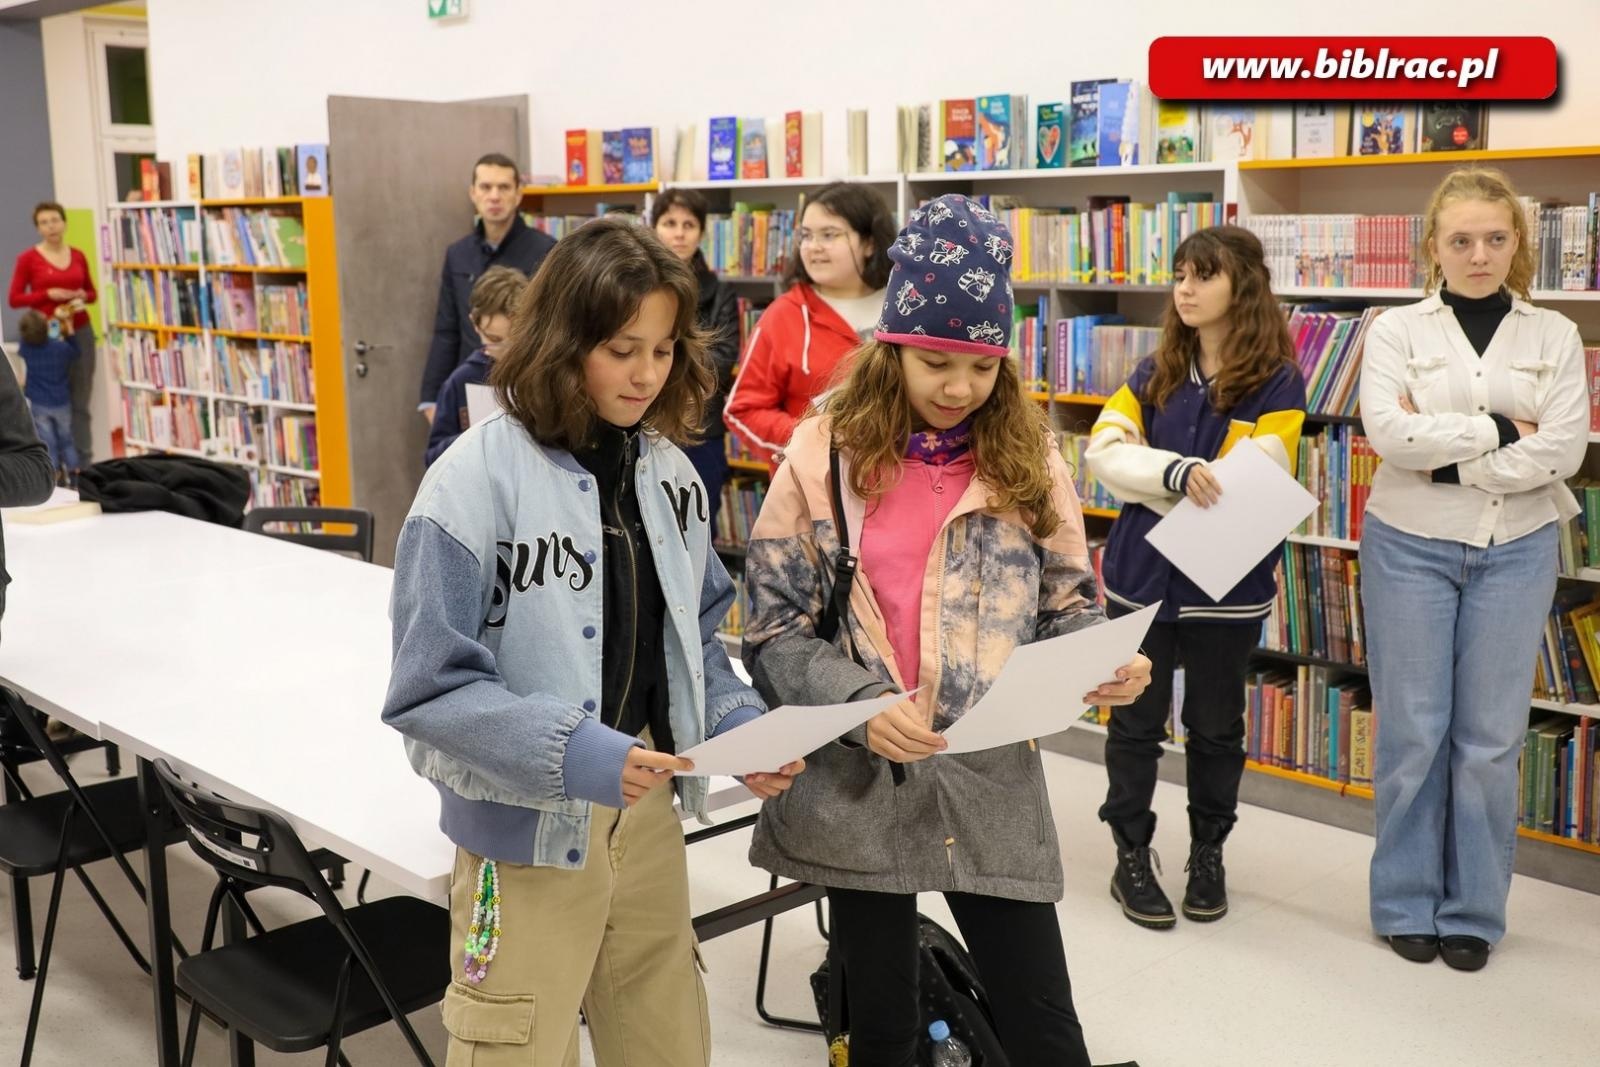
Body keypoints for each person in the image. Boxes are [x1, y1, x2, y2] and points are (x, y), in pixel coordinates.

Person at [741, 194, 1152, 1067]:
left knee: (1045, 1022)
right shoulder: (822, 454)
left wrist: (1104, 658)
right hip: (862, 780)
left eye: (981, 366)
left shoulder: (1030, 458)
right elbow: (771, 629)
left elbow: (1070, 600)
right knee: (884, 1030)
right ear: (891, 347)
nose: (959, 388)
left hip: (990, 775)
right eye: (935, 361)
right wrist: (858, 701)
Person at [382, 217, 802, 1066]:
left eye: (663, 348)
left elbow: (695, 646)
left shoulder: (672, 477)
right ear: (563, 340)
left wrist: (739, 727)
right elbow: (427, 687)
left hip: (646, 815)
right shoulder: (469, 481)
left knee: (666, 1039)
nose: (647, 374)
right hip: (520, 831)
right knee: (517, 1047)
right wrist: (574, 750)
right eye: (621, 348)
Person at [1358, 166, 1587, 972]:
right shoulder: (1394, 330)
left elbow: (1564, 447)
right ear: (1435, 246)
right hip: (1408, 544)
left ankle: (1474, 911)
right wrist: (1499, 428)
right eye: (1461, 239)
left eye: (1495, 237)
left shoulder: (1552, 335)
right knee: (1415, 734)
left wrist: (1450, 458)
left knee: (1489, 740)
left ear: (1517, 243)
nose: (1479, 254)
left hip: (1517, 548)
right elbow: (1388, 435)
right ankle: (1404, 901)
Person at [1085, 225, 1307, 930]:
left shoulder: (1278, 379)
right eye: (1180, 273)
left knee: (1216, 728)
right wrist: (1177, 473)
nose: (1185, 287)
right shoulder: (1152, 373)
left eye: (1203, 275)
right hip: (1140, 578)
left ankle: (1208, 851)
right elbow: (1103, 451)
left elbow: (1253, 475)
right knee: (1133, 723)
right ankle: (1130, 851)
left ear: (1241, 285)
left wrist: (1149, 475)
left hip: (1226, 587)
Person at [723, 181, 894, 469]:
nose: (814, 247)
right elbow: (743, 409)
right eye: (806, 235)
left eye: (829, 235)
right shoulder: (785, 315)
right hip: (813, 494)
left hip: (899, 482)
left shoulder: (905, 305)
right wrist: (812, 439)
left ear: (869, 243)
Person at [418, 152, 557, 422]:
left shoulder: (546, 250)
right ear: (473, 193)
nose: (494, 196)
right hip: (469, 384)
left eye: (504, 187)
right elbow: (447, 329)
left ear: (518, 194)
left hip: (526, 387)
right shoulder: (457, 254)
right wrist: (430, 397)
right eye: (486, 187)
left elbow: (552, 330)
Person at [651, 187, 739, 532]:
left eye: (689, 224)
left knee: (700, 526)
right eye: (670, 222)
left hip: (701, 426)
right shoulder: (638, 287)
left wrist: (662, 359)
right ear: (654, 227)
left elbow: (722, 358)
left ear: (702, 232)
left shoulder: (721, 291)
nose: (679, 232)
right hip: (647, 421)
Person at [9, 201, 98, 464]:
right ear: (38, 228)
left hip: (78, 331)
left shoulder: (78, 255)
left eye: (55, 220)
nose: (51, 226)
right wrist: (46, 294)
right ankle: (51, 465)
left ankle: (84, 464)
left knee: (80, 399)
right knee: (45, 403)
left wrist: (82, 295)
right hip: (43, 338)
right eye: (44, 222)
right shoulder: (28, 259)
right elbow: (14, 298)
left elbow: (92, 293)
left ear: (64, 223)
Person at [423, 265, 525, 467]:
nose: (506, 349)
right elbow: (432, 457)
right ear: (475, 325)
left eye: (516, 339)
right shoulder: (460, 381)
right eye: (494, 339)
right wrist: (470, 438)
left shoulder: (540, 374)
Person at [15, 310, 80, 480]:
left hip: (39, 404)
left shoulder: (26, 349)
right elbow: (76, 351)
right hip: (62, 402)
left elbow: (25, 339)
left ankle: (54, 474)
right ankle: (74, 473)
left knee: (48, 442)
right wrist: (69, 330)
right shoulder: (60, 348)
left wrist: (38, 329)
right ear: (46, 328)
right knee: (67, 440)